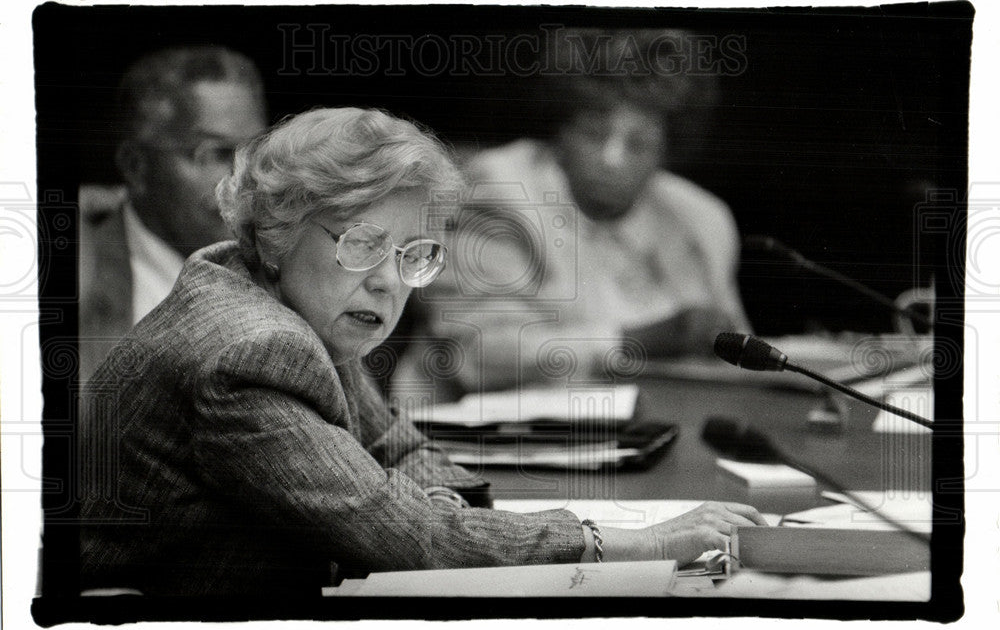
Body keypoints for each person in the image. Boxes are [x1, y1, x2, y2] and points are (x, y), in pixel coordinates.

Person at [77, 106, 766, 597]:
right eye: (361, 241)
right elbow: (404, 538)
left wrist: (435, 505)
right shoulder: (251, 349)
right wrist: (627, 540)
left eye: (413, 253)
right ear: (281, 230)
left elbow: (398, 450)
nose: (387, 277)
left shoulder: (296, 298)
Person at [396, 28, 751, 395]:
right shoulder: (500, 187)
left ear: (668, 149)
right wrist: (636, 341)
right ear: (561, 130)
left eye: (639, 143)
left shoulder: (698, 218)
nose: (612, 160)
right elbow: (478, 356)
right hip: (486, 436)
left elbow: (737, 354)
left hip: (664, 426)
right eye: (595, 134)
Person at [78, 46, 268, 382]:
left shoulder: (281, 268)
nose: (245, 180)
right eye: (214, 153)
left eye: (254, 153)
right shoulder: (79, 269)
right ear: (136, 167)